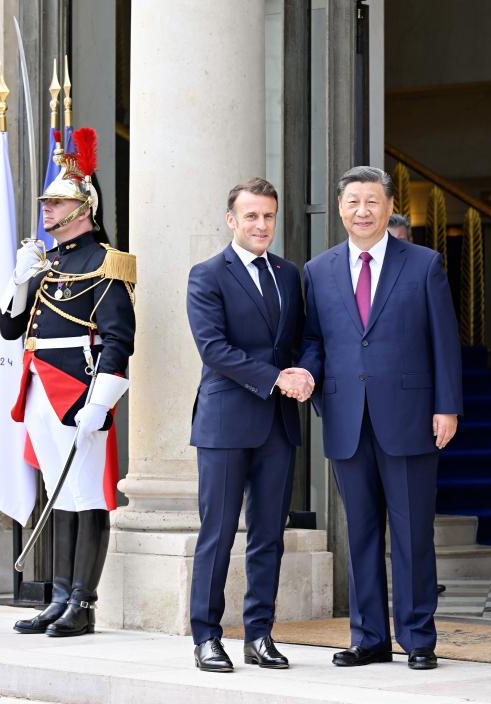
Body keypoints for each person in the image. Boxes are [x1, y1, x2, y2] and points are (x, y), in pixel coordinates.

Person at [297, 166, 462, 670]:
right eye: (353, 202)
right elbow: (314, 340)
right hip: (346, 417)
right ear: (340, 209)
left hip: (411, 417)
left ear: (390, 207)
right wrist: (308, 379)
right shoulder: (318, 270)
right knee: (361, 532)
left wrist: (447, 406)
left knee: (413, 533)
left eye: (372, 201)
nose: (362, 211)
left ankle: (418, 638)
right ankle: (368, 637)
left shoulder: (424, 264)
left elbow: (444, 341)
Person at [0, 127, 136, 638]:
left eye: (56, 203)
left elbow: (118, 339)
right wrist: (20, 281)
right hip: (38, 385)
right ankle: (58, 597)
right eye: (46, 203)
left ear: (84, 208)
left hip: (80, 390)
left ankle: (83, 603)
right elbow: (11, 328)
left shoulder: (106, 261)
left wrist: (100, 402)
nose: (47, 210)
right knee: (59, 494)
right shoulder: (48, 261)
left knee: (87, 494)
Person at [186, 178, 311, 673]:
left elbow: (300, 340)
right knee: (217, 533)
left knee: (269, 536)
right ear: (231, 220)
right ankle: (206, 637)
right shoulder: (207, 275)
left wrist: (306, 374)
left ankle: (259, 634)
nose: (262, 225)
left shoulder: (288, 274)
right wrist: (277, 378)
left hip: (277, 424)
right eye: (252, 216)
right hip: (225, 423)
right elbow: (213, 349)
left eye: (269, 216)